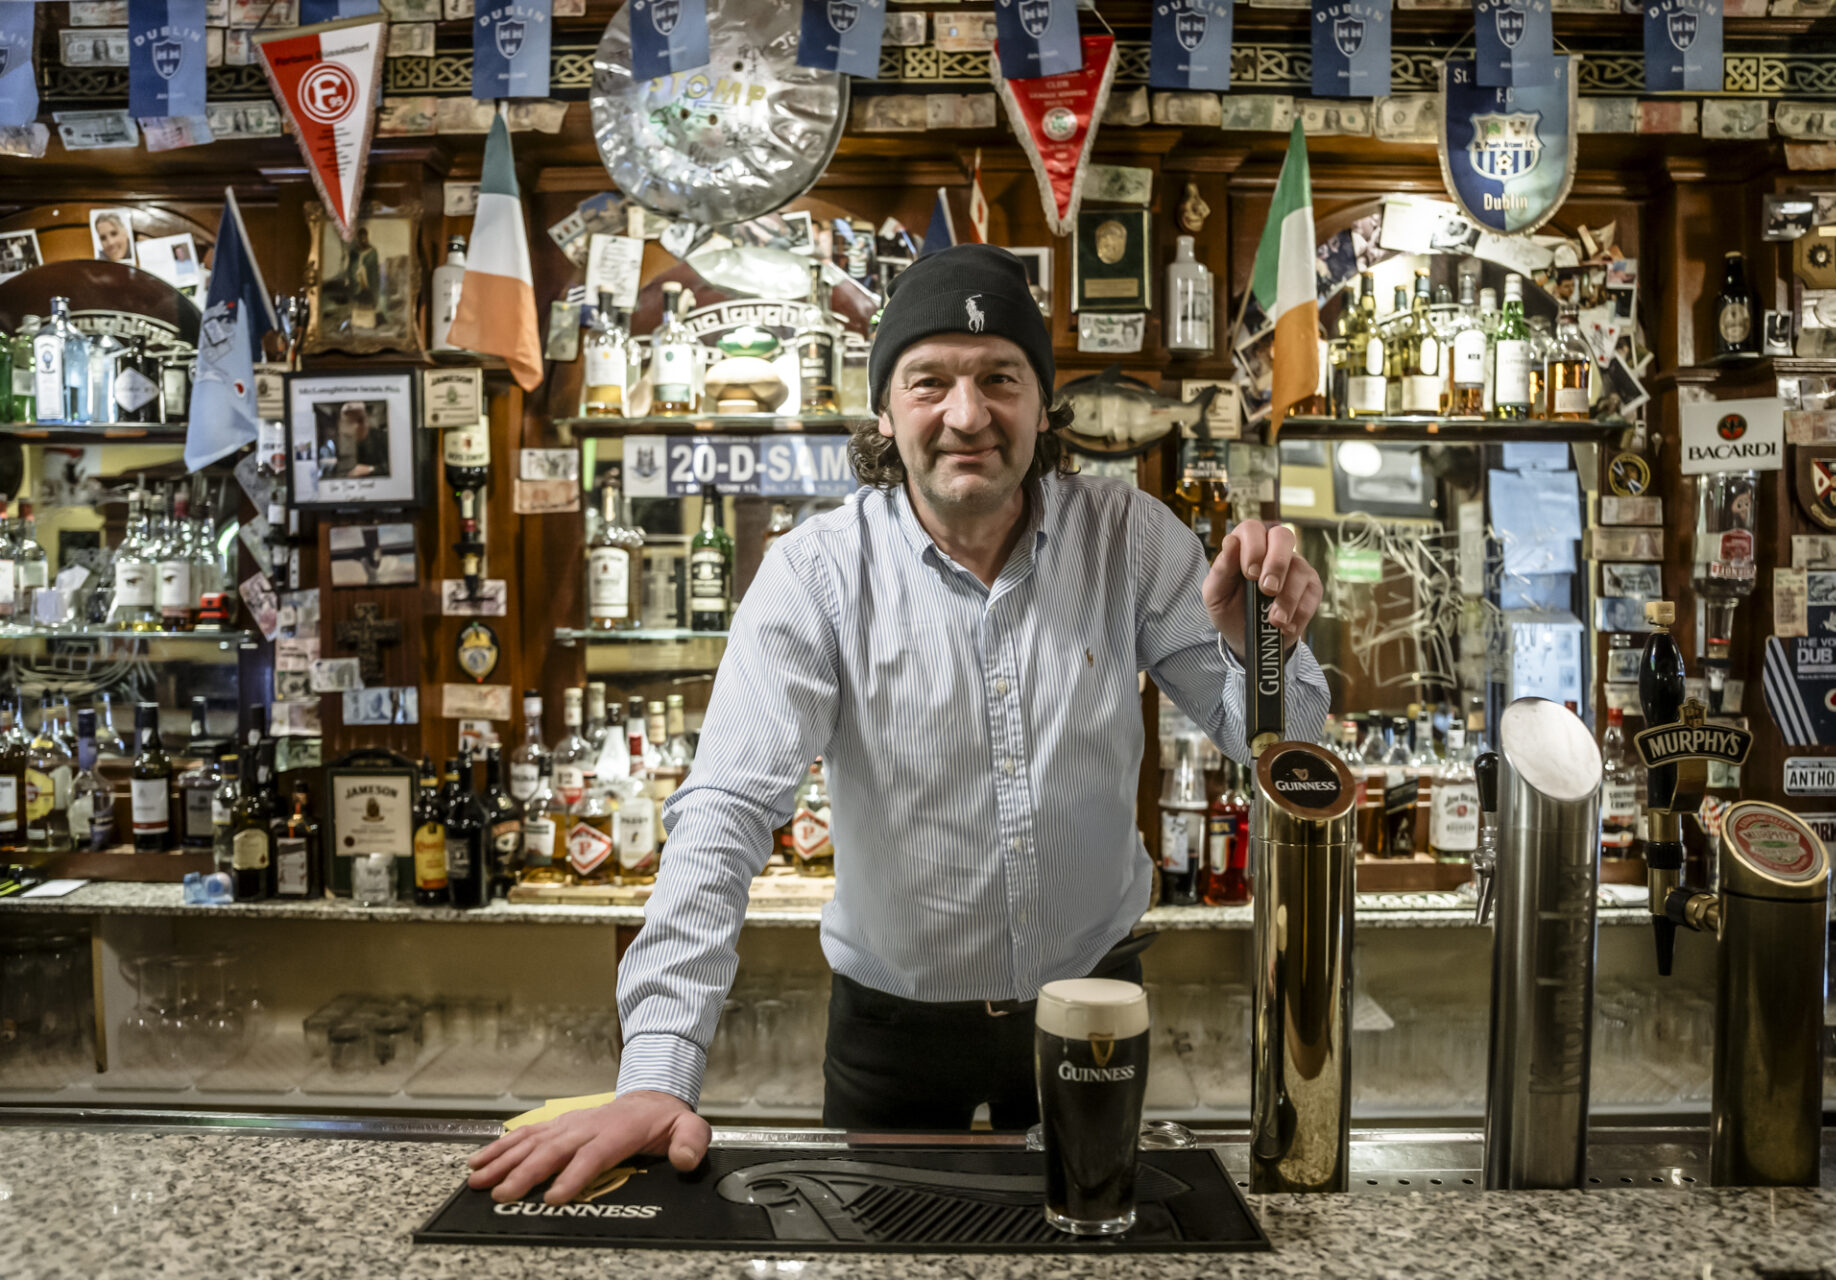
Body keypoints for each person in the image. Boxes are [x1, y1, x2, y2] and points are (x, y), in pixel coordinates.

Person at [466, 244, 1331, 1206]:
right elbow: (725, 813)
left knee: (1097, 1255)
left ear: (1044, 404)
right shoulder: (818, 574)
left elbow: (1291, 763)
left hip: (1091, 1006)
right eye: (930, 381)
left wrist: (1263, 649)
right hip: (891, 1035)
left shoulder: (1133, 540)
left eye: (1001, 377)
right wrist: (658, 1074)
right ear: (885, 409)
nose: (968, 416)